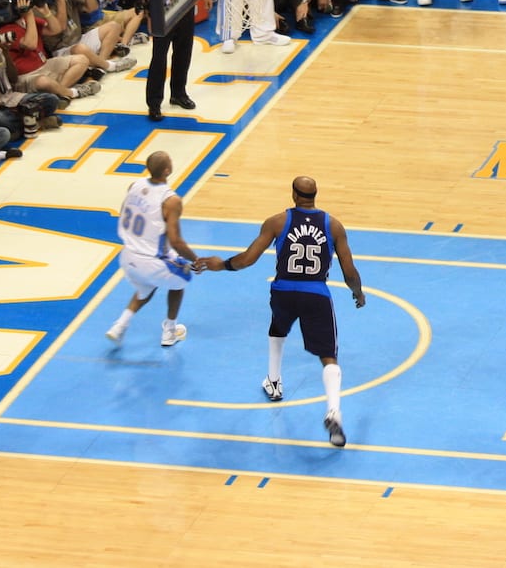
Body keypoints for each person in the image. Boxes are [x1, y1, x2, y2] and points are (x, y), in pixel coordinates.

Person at [205, 176, 365, 448]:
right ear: (316, 194)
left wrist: (220, 265)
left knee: (278, 328)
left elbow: (247, 259)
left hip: (283, 291)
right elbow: (348, 271)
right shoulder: (333, 225)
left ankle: (275, 381)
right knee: (328, 356)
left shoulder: (277, 222)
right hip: (316, 293)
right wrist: (357, 292)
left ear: (293, 194)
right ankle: (334, 411)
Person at [104, 152, 209, 347]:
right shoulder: (171, 200)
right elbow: (176, 241)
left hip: (127, 256)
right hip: (151, 260)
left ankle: (119, 325)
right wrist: (196, 260)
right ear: (167, 170)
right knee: (182, 277)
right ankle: (170, 331)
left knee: (147, 286)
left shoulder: (134, 185)